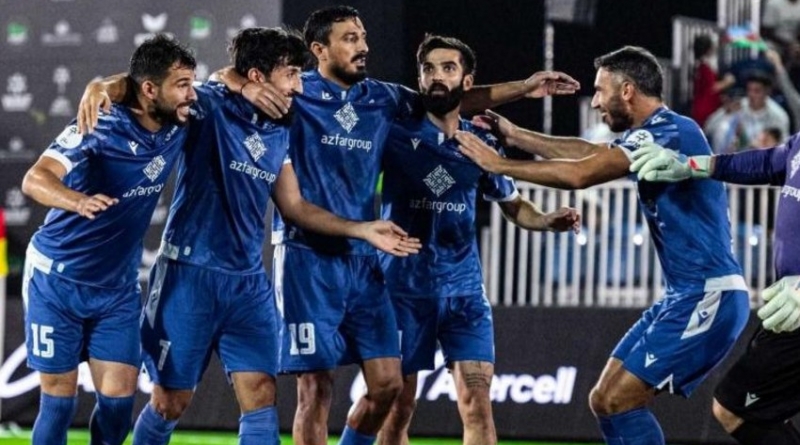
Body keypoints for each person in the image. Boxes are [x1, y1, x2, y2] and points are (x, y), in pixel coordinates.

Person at [212, 6, 582, 445]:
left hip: (368, 259)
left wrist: (523, 88)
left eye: (363, 37)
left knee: (388, 384)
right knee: (317, 388)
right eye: (350, 38)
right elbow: (220, 81)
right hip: (308, 257)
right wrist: (240, 84)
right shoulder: (297, 90)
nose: (363, 46)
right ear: (319, 49)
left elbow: (450, 99)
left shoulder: (383, 100)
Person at [78, 27, 421, 445]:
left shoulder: (280, 129)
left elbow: (294, 206)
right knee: (171, 402)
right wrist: (102, 87)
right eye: (291, 74)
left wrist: (362, 228)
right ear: (258, 77)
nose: (299, 86)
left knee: (261, 395)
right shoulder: (209, 106)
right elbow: (151, 88)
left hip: (247, 284)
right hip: (190, 274)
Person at [456, 45, 750, 445]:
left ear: (626, 90)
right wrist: (515, 135)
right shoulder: (656, 132)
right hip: (683, 295)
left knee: (618, 400)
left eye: (599, 90)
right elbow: (591, 153)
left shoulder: (673, 130)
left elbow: (581, 174)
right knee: (604, 399)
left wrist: (499, 164)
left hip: (708, 296)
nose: (594, 102)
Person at [376, 35, 580, 445]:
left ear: (467, 82)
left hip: (465, 295)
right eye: (429, 69)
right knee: (398, 409)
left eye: (448, 68)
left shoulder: (481, 143)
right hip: (403, 291)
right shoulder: (393, 135)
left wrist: (546, 220)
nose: (437, 76)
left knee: (477, 407)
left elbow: (514, 205)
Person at [20, 35, 197, 445]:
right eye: (183, 85)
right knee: (58, 403)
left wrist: (103, 83)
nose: (192, 94)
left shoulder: (180, 118)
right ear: (150, 89)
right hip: (57, 279)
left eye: (192, 83)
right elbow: (35, 179)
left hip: (117, 289)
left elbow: (224, 83)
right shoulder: (99, 123)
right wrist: (77, 201)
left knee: (118, 406)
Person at [628, 124, 800, 444]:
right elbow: (766, 162)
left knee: (737, 408)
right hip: (788, 310)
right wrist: (691, 165)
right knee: (758, 409)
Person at [691, 34, 736, 128]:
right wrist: (728, 82)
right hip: (707, 108)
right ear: (708, 49)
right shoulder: (704, 67)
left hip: (700, 107)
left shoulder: (699, 65)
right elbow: (713, 87)